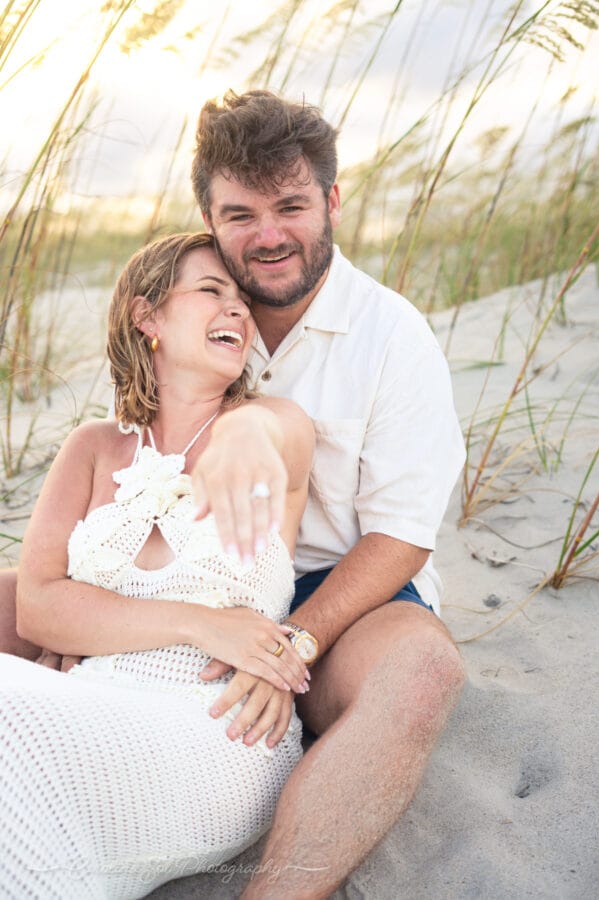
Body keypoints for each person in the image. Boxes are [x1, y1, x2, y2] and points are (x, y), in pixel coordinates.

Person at [186, 90, 467, 899]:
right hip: (202, 581)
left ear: (332, 201)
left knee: (421, 673)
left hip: (339, 598)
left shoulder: (392, 335)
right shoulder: (183, 308)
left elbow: (403, 535)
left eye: (292, 206)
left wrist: (293, 645)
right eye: (240, 214)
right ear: (207, 214)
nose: (269, 236)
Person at [0, 231, 316, 897]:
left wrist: (246, 430)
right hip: (89, 702)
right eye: (211, 291)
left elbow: (273, 435)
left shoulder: (273, 427)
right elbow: (39, 608)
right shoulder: (91, 447)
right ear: (149, 317)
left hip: (223, 726)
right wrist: (203, 622)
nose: (236, 310)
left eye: (242, 301)